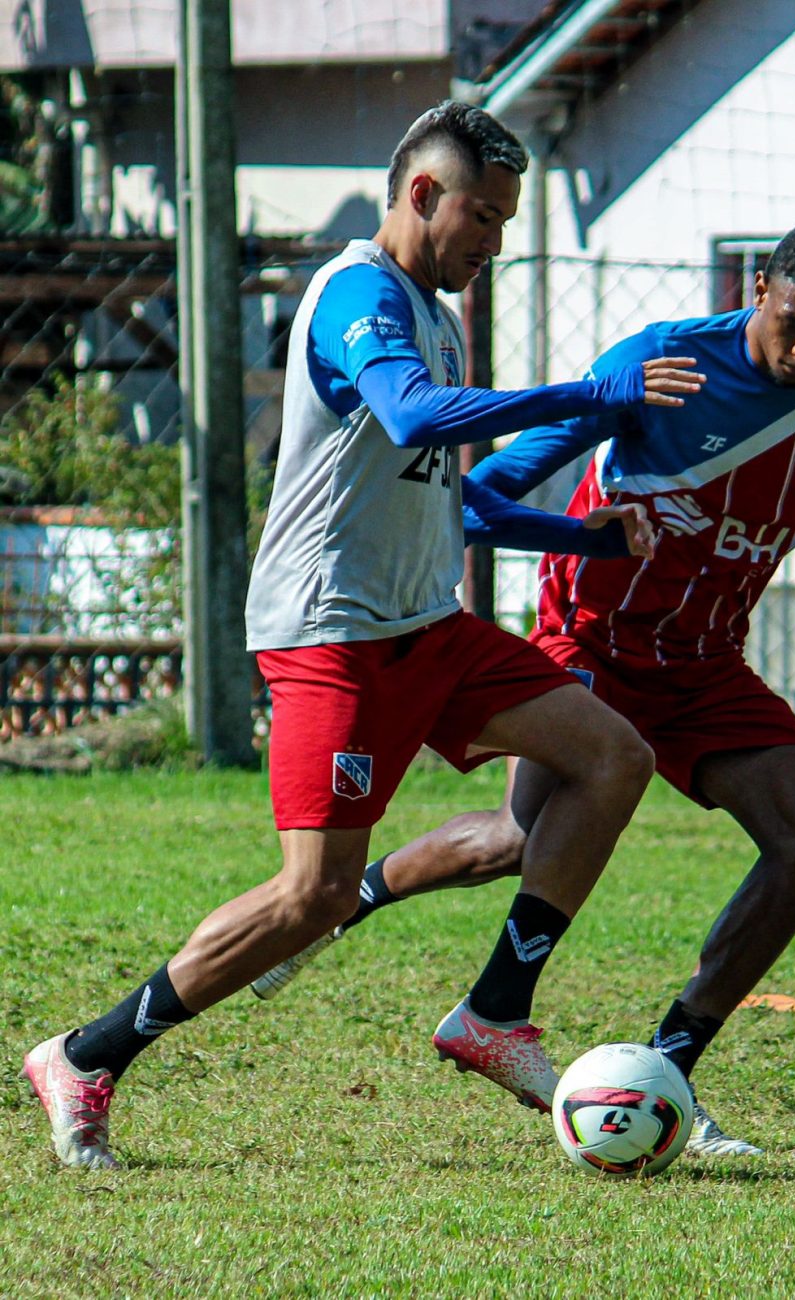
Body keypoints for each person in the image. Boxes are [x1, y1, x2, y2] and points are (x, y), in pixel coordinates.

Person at [22, 100, 709, 1169]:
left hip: (429, 625)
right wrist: (587, 391)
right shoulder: (357, 298)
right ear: (423, 195)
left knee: (612, 754)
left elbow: (454, 501)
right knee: (314, 897)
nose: (492, 241)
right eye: (481, 216)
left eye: (505, 222)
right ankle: (86, 1053)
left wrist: (577, 536)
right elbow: (416, 417)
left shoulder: (437, 314)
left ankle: (494, 1012)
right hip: (331, 635)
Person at [250, 217, 795, 1158]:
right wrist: (588, 535)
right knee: (523, 837)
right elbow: (472, 499)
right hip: (591, 636)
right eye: (792, 322)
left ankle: (665, 1073)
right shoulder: (664, 362)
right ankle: (378, 926)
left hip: (706, 661)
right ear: (757, 286)